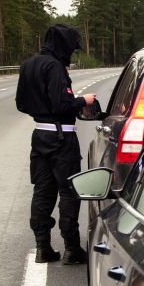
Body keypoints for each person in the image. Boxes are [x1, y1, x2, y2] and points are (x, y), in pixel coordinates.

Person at [16, 23, 96, 264]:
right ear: (63, 45)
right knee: (69, 192)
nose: (72, 53)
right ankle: (72, 248)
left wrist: (42, 110)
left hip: (39, 136)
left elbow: (21, 104)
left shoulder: (27, 65)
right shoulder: (56, 67)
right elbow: (62, 105)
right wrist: (84, 100)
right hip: (62, 139)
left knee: (42, 191)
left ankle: (43, 247)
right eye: (71, 48)